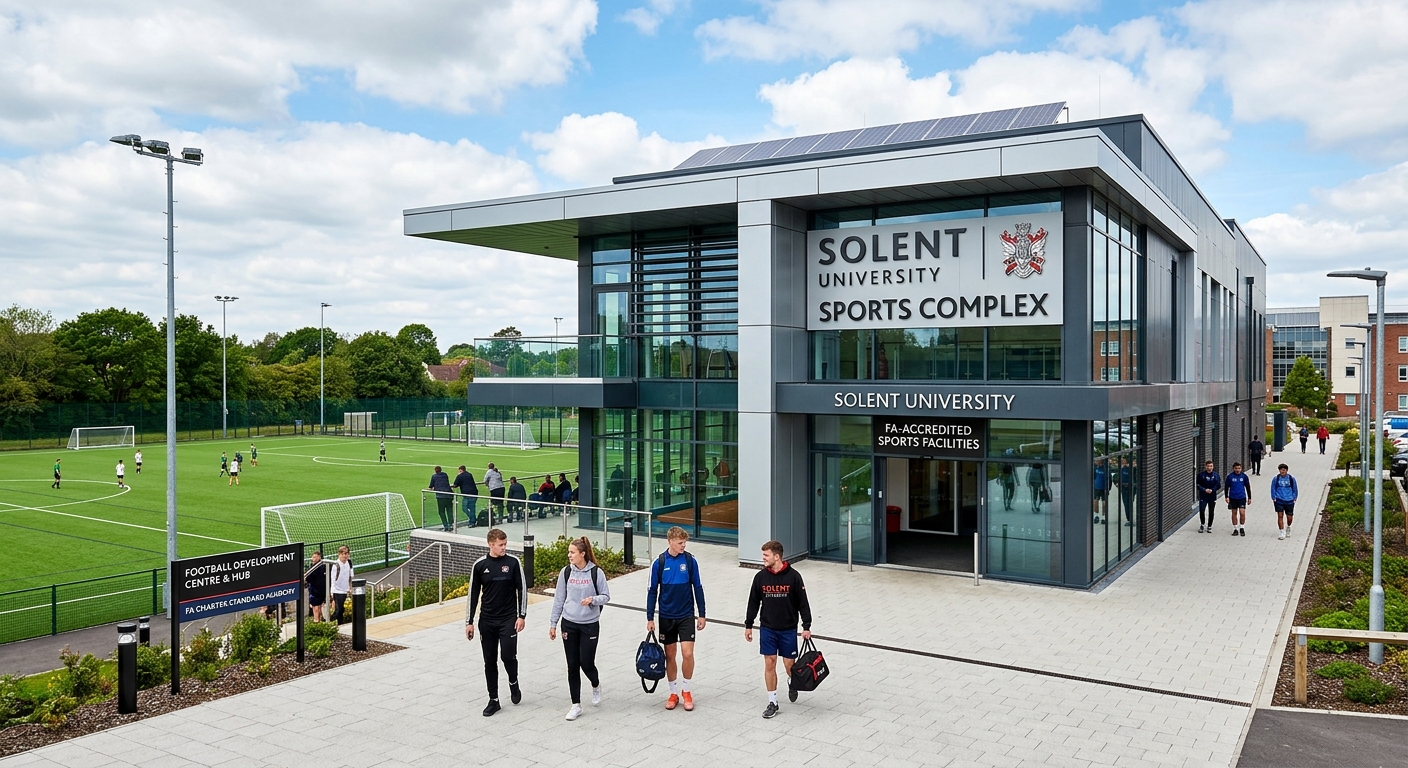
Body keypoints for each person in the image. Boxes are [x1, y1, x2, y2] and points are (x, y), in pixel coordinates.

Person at [744, 540, 812, 719]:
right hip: (768, 628)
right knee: (770, 662)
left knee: (789, 665)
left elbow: (803, 603)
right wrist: (748, 625)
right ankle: (772, 702)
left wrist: (806, 626)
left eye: (766, 555)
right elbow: (753, 602)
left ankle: (792, 681)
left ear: (777, 556)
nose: (763, 559)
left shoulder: (794, 577)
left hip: (788, 629)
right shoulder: (760, 577)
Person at [465, 528, 528, 717]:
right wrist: (469, 622)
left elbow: (522, 589)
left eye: (505, 544)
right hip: (487, 621)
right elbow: (473, 595)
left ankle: (513, 683)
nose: (504, 548)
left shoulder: (513, 562)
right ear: (490, 544)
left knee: (508, 656)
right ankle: (494, 700)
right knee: (489, 661)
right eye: (500, 545)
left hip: (508, 619)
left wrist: (522, 616)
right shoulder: (480, 565)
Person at [549, 537, 611, 721]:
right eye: (569, 552)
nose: (569, 555)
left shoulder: (596, 572)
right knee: (572, 665)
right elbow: (559, 599)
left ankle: (595, 684)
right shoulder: (566, 572)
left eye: (572, 552)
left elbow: (606, 596)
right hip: (569, 623)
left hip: (589, 624)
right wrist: (553, 623)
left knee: (587, 662)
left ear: (582, 554)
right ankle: (576, 704)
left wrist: (593, 599)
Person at [645, 526, 707, 712]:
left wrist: (702, 613)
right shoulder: (659, 562)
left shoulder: (689, 560)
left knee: (687, 654)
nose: (683, 545)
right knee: (670, 656)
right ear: (670, 541)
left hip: (686, 615)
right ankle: (673, 693)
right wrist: (650, 618)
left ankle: (686, 690)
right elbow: (652, 591)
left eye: (684, 543)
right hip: (666, 616)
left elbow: (698, 587)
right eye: (680, 543)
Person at [1270, 463, 1299, 540]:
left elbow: (1295, 488)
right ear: (1279, 470)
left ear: (1287, 470)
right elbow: (1273, 488)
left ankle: (1288, 527)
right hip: (1279, 499)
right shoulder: (1276, 479)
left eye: (1284, 470)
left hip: (1289, 500)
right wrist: (1274, 497)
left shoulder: (1291, 479)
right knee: (1280, 515)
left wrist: (1294, 497)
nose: (1283, 471)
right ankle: (1281, 531)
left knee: (1289, 517)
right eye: (1281, 470)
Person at [1225, 461, 1252, 537]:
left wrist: (1249, 497)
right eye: (1236, 468)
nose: (1237, 470)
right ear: (1233, 468)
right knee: (1234, 513)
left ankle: (1242, 527)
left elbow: (1247, 487)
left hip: (1242, 497)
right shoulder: (1230, 477)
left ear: (1241, 468)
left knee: (1242, 512)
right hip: (1233, 497)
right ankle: (1235, 528)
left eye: (1239, 468)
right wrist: (1226, 497)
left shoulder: (1244, 476)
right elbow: (1226, 487)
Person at [330, 546, 353, 624]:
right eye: (343, 554)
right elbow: (333, 579)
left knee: (341, 608)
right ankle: (333, 621)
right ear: (339, 554)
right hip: (337, 590)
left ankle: (338, 621)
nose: (345, 556)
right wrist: (332, 591)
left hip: (345, 589)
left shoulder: (349, 562)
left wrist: (350, 587)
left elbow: (351, 576)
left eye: (346, 554)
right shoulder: (336, 565)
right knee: (339, 608)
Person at [1196, 460, 1220, 533]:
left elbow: (1218, 485)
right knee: (1202, 510)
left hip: (1212, 496)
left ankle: (1209, 526)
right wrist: (1204, 490)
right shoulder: (1201, 475)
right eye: (1208, 466)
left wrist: (1212, 490)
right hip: (1203, 496)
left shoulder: (1216, 475)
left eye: (1211, 466)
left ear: (1213, 467)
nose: (1209, 468)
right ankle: (1202, 524)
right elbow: (1198, 485)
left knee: (1211, 511)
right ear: (1205, 466)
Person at [429, 465, 454, 531]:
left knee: (441, 511)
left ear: (435, 470)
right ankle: (450, 524)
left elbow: (431, 486)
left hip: (441, 496)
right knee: (449, 510)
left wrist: (432, 488)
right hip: (449, 494)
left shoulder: (434, 476)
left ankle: (446, 526)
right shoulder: (445, 475)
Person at [306, 551, 327, 622]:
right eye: (313, 557)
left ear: (319, 557)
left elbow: (308, 578)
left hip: (319, 591)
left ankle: (317, 620)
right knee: (316, 607)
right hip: (315, 591)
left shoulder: (321, 567)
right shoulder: (313, 568)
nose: (314, 558)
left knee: (318, 606)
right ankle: (317, 620)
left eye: (316, 557)